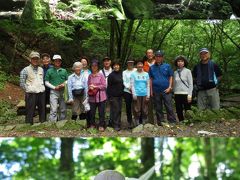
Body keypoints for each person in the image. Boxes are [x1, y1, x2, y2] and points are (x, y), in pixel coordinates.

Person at [149, 50, 176, 125]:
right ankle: (161, 122)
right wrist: (151, 91)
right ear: (155, 57)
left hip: (166, 90)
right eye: (157, 56)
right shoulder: (151, 68)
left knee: (169, 106)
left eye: (160, 56)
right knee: (158, 107)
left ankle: (172, 121)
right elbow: (150, 79)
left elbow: (171, 76)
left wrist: (170, 87)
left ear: (162, 58)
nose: (158, 58)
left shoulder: (167, 66)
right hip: (156, 90)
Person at [20, 51, 46, 125]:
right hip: (31, 93)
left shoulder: (41, 69)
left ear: (39, 60)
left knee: (42, 109)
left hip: (41, 92)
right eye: (33, 59)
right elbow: (22, 83)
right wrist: (29, 89)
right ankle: (28, 123)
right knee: (30, 109)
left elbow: (42, 80)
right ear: (30, 59)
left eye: (37, 59)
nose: (35, 60)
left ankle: (43, 123)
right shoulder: (25, 70)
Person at [45, 54, 68, 122]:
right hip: (53, 92)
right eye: (56, 61)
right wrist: (54, 87)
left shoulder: (64, 70)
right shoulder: (49, 71)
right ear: (53, 62)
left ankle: (62, 121)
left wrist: (64, 84)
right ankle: (52, 122)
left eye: (59, 61)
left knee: (63, 108)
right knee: (53, 108)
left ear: (60, 62)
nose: (57, 62)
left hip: (63, 91)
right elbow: (46, 82)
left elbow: (67, 80)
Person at [88, 60, 107, 131]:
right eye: (93, 66)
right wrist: (90, 87)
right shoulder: (90, 76)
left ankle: (101, 125)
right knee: (92, 112)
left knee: (101, 112)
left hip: (101, 96)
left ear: (98, 67)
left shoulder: (101, 75)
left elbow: (104, 86)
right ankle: (92, 124)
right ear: (91, 67)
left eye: (95, 65)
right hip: (92, 97)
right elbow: (88, 84)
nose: (94, 67)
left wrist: (95, 87)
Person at [173, 55, 193, 122]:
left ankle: (189, 121)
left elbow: (190, 84)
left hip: (186, 93)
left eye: (182, 61)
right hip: (177, 93)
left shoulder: (188, 71)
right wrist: (173, 92)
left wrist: (190, 95)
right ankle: (181, 121)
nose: (180, 62)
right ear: (176, 63)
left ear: (184, 62)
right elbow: (174, 84)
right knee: (179, 109)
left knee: (187, 109)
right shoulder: (175, 72)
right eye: (178, 61)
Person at [130, 60, 150, 126]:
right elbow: (132, 85)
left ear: (142, 65)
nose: (140, 65)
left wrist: (148, 94)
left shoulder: (146, 74)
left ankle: (144, 120)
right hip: (137, 94)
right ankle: (137, 121)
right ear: (136, 66)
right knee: (136, 108)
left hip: (144, 93)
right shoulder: (133, 74)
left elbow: (148, 85)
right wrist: (134, 94)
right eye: (138, 64)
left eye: (141, 64)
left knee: (145, 108)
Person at [107, 62, 124, 131]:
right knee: (116, 110)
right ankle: (116, 125)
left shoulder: (121, 74)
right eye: (114, 65)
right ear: (113, 67)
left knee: (119, 110)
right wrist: (109, 97)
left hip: (120, 95)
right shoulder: (111, 75)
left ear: (119, 66)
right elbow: (109, 86)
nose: (116, 66)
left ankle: (116, 123)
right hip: (113, 96)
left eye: (117, 65)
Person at [143, 49, 155, 124]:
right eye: (148, 53)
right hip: (146, 86)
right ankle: (150, 120)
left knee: (158, 103)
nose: (149, 54)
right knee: (148, 103)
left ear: (153, 54)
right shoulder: (144, 64)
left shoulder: (157, 63)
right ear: (146, 55)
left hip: (156, 85)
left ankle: (160, 120)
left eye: (151, 53)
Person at [122, 59, 136, 128]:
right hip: (127, 91)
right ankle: (129, 121)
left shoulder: (136, 70)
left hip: (136, 90)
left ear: (133, 63)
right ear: (127, 64)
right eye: (129, 63)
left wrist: (133, 88)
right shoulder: (124, 72)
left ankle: (137, 120)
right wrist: (128, 87)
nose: (130, 64)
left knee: (136, 106)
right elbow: (124, 81)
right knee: (128, 106)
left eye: (131, 63)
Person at [100, 56, 112, 126]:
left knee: (111, 107)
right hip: (102, 91)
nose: (106, 62)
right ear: (103, 62)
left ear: (110, 62)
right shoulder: (100, 71)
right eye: (105, 61)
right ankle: (103, 122)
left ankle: (111, 121)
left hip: (111, 92)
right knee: (102, 107)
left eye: (108, 60)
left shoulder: (113, 70)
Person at [80, 56, 92, 126]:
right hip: (80, 92)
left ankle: (89, 123)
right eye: (82, 62)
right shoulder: (78, 71)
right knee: (81, 106)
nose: (84, 63)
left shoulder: (90, 71)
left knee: (88, 107)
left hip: (89, 91)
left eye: (85, 61)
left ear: (87, 63)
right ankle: (82, 122)